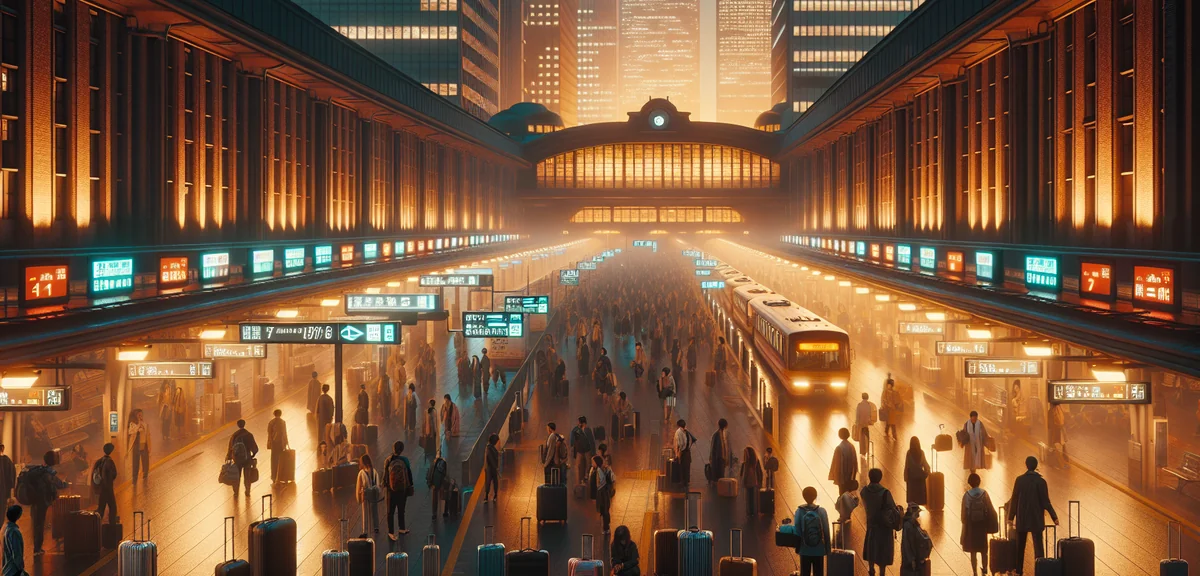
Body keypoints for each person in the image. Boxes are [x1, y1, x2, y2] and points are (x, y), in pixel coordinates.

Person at [1006, 456, 1059, 573]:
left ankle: (1019, 570)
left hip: (1022, 518)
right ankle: (1040, 570)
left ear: (1026, 465)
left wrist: (1011, 517)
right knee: (1038, 546)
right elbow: (1046, 501)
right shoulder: (1041, 482)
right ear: (1036, 466)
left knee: (1020, 546)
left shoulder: (1019, 480)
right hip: (1036, 518)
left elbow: (1014, 499)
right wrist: (1054, 516)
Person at [25, 451, 68, 556]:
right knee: (40, 524)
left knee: (36, 524)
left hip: (34, 500)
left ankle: (36, 547)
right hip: (42, 501)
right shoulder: (48, 473)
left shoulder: (38, 470)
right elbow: (58, 484)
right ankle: (37, 549)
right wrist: (66, 484)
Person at [860, 468, 900, 576]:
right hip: (884, 527)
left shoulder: (864, 491)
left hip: (871, 525)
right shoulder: (885, 493)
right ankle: (882, 572)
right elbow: (892, 508)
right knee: (883, 550)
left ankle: (871, 569)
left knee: (871, 547)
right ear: (880, 478)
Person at [961, 473, 997, 576]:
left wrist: (964, 522)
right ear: (979, 481)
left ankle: (975, 571)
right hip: (982, 525)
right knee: (983, 549)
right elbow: (990, 510)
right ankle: (985, 568)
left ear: (969, 483)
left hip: (971, 525)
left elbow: (964, 512)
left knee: (973, 550)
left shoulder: (966, 495)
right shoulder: (984, 494)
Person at [794, 486, 831, 576]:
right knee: (818, 573)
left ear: (803, 497)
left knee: (805, 572)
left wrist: (797, 547)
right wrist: (827, 548)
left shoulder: (799, 511)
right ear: (815, 496)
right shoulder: (822, 511)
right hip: (819, 549)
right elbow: (826, 530)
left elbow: (797, 531)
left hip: (804, 549)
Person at [383, 441, 414, 539]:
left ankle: (391, 532)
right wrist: (410, 485)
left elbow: (385, 475)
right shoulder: (405, 460)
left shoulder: (388, 460)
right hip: (402, 489)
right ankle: (402, 528)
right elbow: (409, 473)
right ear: (402, 450)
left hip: (390, 489)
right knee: (401, 509)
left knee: (390, 512)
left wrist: (385, 484)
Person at [226, 419, 259, 497]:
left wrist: (229, 456)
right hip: (247, 458)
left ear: (238, 425)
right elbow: (255, 448)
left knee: (236, 475)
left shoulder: (234, 435)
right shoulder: (249, 435)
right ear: (244, 424)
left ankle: (236, 492)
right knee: (247, 475)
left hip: (237, 459)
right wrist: (252, 455)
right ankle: (247, 491)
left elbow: (231, 447)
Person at [900, 503, 932, 576]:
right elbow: (907, 544)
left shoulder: (913, 524)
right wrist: (911, 559)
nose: (918, 514)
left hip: (916, 558)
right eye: (917, 512)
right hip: (912, 560)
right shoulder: (908, 525)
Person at [91, 443, 119, 524]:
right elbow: (114, 474)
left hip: (101, 488)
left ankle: (96, 525)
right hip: (108, 488)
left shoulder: (100, 461)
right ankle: (112, 525)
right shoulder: (109, 461)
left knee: (101, 508)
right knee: (113, 507)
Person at [356, 454, 382, 535]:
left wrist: (358, 497)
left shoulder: (361, 473)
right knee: (375, 511)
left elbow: (358, 485)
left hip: (365, 494)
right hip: (374, 493)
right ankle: (376, 527)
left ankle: (365, 530)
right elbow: (378, 484)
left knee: (365, 513)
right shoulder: (374, 471)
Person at [828, 428, 858, 496]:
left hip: (842, 477)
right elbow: (855, 462)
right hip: (850, 475)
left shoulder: (839, 448)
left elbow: (837, 464)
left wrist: (836, 477)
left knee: (842, 494)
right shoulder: (851, 446)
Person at [591, 454, 616, 534]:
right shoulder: (600, 469)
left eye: (593, 462)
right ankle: (605, 527)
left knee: (604, 510)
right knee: (604, 510)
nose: (592, 464)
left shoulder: (599, 470)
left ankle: (606, 528)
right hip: (603, 492)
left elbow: (600, 482)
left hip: (603, 493)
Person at [903, 437, 930, 507]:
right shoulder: (921, 452)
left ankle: (913, 510)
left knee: (912, 497)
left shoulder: (909, 453)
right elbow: (925, 464)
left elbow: (907, 465)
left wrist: (905, 476)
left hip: (911, 478)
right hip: (920, 478)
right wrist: (927, 473)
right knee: (919, 496)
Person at [570, 417, 597, 485]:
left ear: (583, 423)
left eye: (579, 422)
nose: (578, 424)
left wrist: (593, 451)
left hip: (586, 450)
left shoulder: (587, 430)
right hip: (580, 450)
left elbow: (591, 441)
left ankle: (586, 476)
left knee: (588, 463)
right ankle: (579, 479)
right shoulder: (578, 430)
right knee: (578, 465)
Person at [126, 409, 150, 484]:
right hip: (136, 446)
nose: (140, 416)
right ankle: (134, 480)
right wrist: (139, 424)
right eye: (139, 415)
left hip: (144, 445)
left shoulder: (145, 423)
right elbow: (131, 431)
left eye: (141, 415)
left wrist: (149, 446)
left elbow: (148, 435)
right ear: (135, 416)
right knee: (135, 463)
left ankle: (145, 475)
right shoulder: (132, 424)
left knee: (145, 461)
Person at [739, 446, 764, 515]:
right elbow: (760, 472)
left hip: (751, 483)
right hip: (752, 483)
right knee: (751, 497)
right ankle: (752, 511)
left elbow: (743, 474)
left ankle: (751, 511)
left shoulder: (749, 463)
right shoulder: (751, 462)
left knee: (750, 497)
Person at [673, 420, 697, 487]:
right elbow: (690, 441)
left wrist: (678, 453)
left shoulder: (678, 432)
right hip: (687, 452)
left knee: (682, 467)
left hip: (682, 452)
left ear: (678, 425)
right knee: (687, 467)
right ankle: (686, 481)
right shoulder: (686, 431)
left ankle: (682, 481)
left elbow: (680, 444)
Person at [2, 505, 26, 576]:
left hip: (7, 570)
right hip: (14, 571)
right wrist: (21, 569)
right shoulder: (14, 532)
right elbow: (16, 553)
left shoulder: (7, 530)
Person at [267, 409, 288, 484]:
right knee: (282, 460)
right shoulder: (283, 422)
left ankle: (274, 476)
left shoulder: (271, 422)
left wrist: (269, 443)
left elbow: (269, 433)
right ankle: (282, 476)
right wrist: (286, 443)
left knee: (274, 460)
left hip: (274, 444)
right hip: (281, 444)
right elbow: (284, 434)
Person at [427, 450, 449, 519]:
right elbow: (446, 473)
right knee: (446, 494)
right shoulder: (444, 462)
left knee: (435, 497)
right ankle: (445, 512)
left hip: (434, 482)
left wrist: (429, 483)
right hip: (442, 481)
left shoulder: (433, 463)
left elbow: (430, 474)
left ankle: (434, 514)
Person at [484, 434, 500, 502]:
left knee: (489, 482)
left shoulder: (490, 448)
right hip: (490, 468)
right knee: (492, 482)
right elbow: (491, 459)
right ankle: (492, 496)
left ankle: (487, 497)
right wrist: (496, 468)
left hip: (489, 468)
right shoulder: (490, 449)